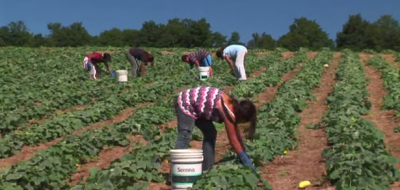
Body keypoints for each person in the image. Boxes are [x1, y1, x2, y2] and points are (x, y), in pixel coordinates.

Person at [174, 86, 257, 172]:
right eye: (244, 121)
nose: (242, 123)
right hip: (186, 102)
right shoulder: (228, 113)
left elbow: (237, 135)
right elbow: (234, 141)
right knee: (184, 136)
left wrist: (243, 151)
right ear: (242, 116)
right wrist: (246, 161)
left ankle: (206, 169)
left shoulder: (233, 106)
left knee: (210, 133)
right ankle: (175, 173)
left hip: (198, 107)